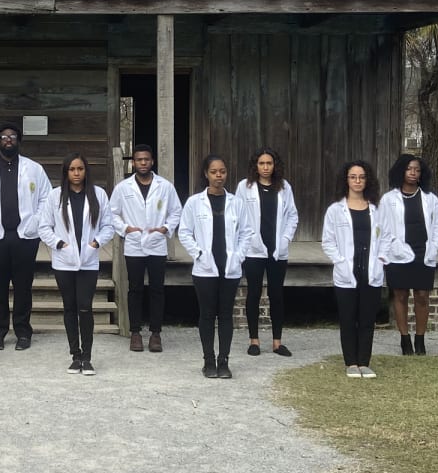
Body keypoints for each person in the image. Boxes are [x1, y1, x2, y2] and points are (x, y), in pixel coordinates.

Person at [0, 121, 51, 351]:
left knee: (24, 286)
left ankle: (23, 332)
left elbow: (46, 196)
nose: (8, 140)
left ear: (19, 140)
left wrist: (35, 219)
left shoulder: (34, 168)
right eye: (4, 137)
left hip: (26, 236)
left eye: (12, 136)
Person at [177, 155, 254, 380]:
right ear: (206, 174)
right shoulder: (194, 202)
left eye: (222, 171)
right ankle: (209, 360)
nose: (218, 175)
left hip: (229, 267)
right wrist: (198, 253)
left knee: (226, 315)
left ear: (226, 173)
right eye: (214, 172)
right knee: (207, 315)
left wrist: (238, 256)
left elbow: (247, 232)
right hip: (205, 268)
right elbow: (184, 231)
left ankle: (224, 361)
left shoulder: (236, 203)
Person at [40, 155, 115, 376]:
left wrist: (95, 243)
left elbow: (108, 226)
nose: (76, 173)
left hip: (89, 260)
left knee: (85, 307)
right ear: (66, 172)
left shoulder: (98, 194)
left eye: (80, 168)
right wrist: (59, 243)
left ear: (86, 171)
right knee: (70, 308)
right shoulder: (55, 196)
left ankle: (87, 357)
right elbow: (44, 226)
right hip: (64, 261)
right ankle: (75, 355)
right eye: (72, 169)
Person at [108, 143, 183, 353]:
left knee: (157, 289)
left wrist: (165, 228)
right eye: (139, 159)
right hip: (134, 244)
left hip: (157, 244)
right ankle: (135, 332)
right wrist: (125, 228)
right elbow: (112, 213)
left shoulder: (165, 186)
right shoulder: (123, 188)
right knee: (135, 289)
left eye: (146, 159)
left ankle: (156, 333)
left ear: (152, 161)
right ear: (133, 162)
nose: (142, 163)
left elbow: (176, 211)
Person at [321, 160, 388, 380]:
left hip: (371, 270)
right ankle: (351, 362)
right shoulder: (335, 210)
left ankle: (364, 362)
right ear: (346, 180)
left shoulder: (377, 210)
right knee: (348, 318)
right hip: (347, 271)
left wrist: (381, 258)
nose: (357, 181)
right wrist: (339, 261)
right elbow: (328, 241)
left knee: (367, 318)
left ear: (367, 180)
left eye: (361, 177)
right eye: (353, 177)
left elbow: (387, 237)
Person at [378, 153, 438, 356]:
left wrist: (434, 246)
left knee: (422, 296)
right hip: (397, 252)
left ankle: (420, 339)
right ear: (401, 171)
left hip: (423, 252)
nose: (413, 173)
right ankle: (405, 339)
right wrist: (389, 249)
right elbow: (381, 227)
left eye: (417, 169)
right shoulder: (389, 199)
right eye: (409, 169)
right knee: (400, 294)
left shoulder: (430, 198)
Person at [236, 148, 298, 358]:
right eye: (261, 163)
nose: (265, 167)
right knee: (253, 293)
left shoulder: (284, 187)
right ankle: (254, 340)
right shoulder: (245, 187)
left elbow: (292, 216)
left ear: (275, 165)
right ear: (255, 165)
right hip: (254, 250)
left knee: (276, 294)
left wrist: (285, 239)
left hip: (277, 250)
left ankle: (277, 342)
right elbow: (238, 216)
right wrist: (248, 240)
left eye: (269, 163)